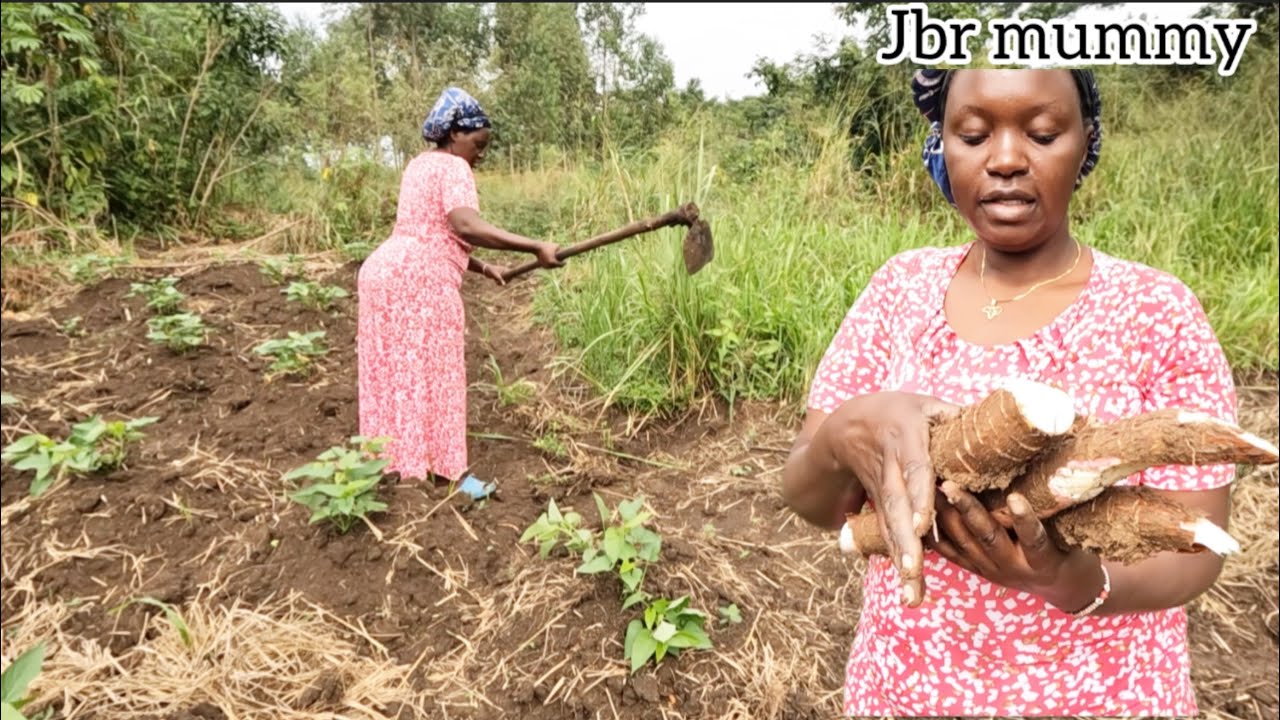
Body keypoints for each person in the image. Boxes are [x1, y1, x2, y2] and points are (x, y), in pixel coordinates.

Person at [781, 68, 1238, 716]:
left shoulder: (1158, 312)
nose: (1003, 159)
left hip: (1108, 697)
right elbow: (810, 498)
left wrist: (1077, 581)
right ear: (942, 146)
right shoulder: (898, 292)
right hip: (908, 690)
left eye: (1042, 132)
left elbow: (1199, 551)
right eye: (972, 134)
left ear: (1086, 143)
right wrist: (842, 434)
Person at [357, 87, 563, 495]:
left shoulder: (418, 165)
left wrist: (484, 268)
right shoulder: (454, 169)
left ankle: (392, 468)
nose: (481, 153)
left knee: (396, 376)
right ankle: (450, 475)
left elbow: (429, 231)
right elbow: (465, 226)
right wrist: (535, 245)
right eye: (477, 143)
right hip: (420, 285)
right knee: (438, 375)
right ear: (454, 135)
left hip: (383, 273)